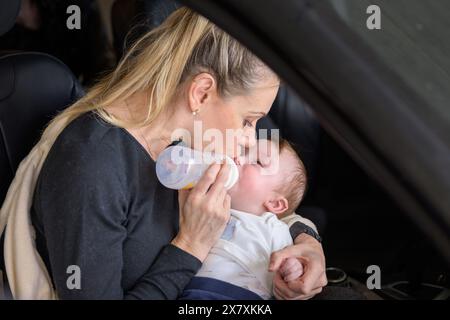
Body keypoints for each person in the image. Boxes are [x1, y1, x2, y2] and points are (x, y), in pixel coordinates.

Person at [7, 7, 326, 299]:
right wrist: (191, 245)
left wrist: (306, 244)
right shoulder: (92, 166)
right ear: (201, 93)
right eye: (247, 120)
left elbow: (262, 209)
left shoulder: (189, 142)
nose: (248, 139)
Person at [180, 139, 309, 300]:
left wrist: (293, 268)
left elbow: (286, 265)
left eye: (257, 162)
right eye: (242, 152)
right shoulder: (202, 205)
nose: (237, 158)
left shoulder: (273, 228)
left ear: (274, 203)